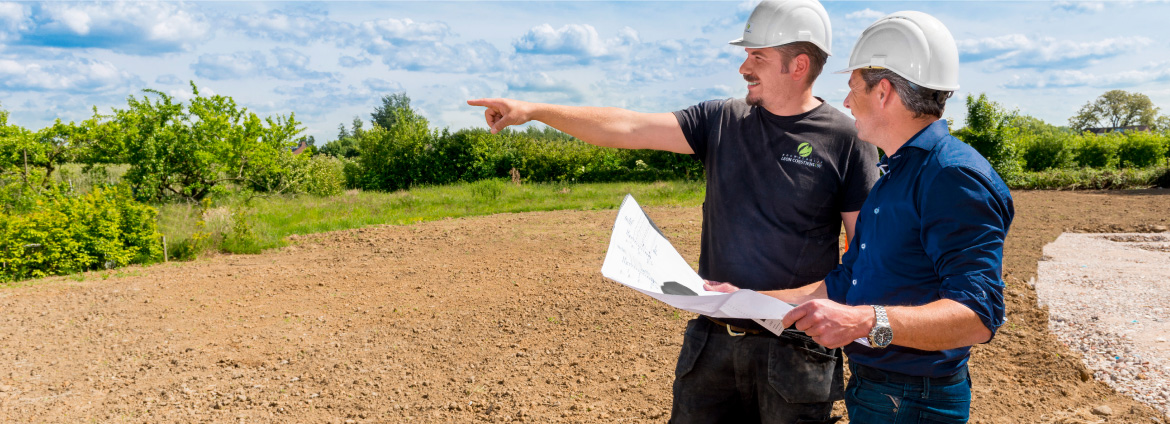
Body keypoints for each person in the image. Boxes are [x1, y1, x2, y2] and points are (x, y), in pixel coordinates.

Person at [468, 1, 879, 422]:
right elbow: (628, 126)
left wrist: (772, 302)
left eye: (757, 56)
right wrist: (535, 111)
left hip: (796, 353)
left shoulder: (847, 139)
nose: (743, 67)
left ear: (799, 65)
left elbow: (865, 258)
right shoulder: (721, 119)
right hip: (711, 346)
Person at [706, 11, 1014, 423]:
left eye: (853, 89)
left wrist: (862, 321)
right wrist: (740, 300)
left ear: (883, 91)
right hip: (879, 388)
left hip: (914, 401)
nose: (847, 103)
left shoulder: (951, 177)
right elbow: (842, 284)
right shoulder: (894, 176)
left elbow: (977, 316)